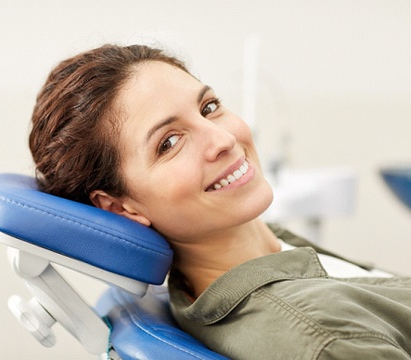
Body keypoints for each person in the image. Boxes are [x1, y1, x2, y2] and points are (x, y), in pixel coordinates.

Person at [29, 44, 411, 359]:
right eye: (169, 143)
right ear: (121, 207)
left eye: (208, 107)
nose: (223, 140)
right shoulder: (324, 337)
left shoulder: (264, 251)